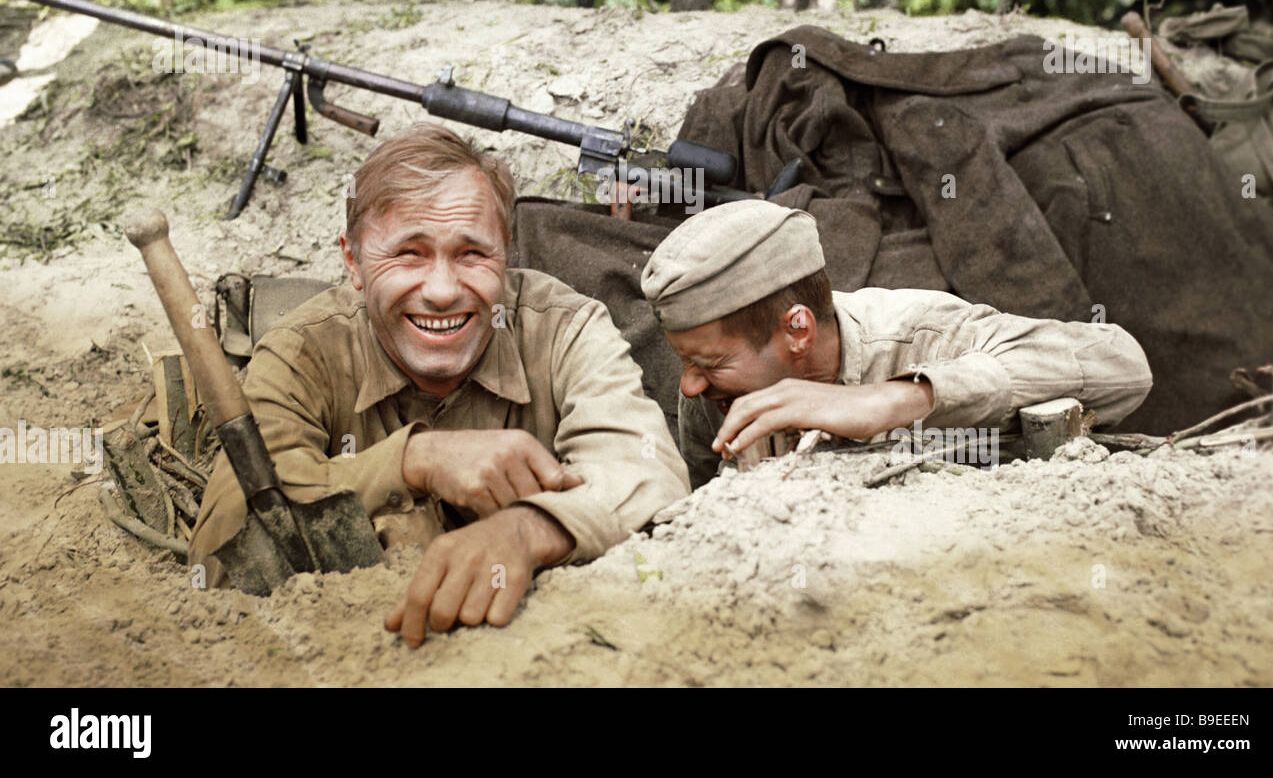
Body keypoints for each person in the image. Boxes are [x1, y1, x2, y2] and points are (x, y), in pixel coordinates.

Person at [189, 124, 689, 645]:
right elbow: (221, 547)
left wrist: (530, 529)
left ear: (506, 254)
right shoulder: (305, 348)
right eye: (409, 254)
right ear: (352, 262)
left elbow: (651, 477)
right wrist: (412, 462)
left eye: (473, 253)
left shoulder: (564, 327)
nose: (444, 290)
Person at [640, 200, 1154, 489]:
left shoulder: (921, 334)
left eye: (708, 362)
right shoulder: (719, 395)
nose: (689, 384)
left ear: (797, 330)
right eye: (687, 361)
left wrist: (892, 400)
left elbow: (1124, 367)